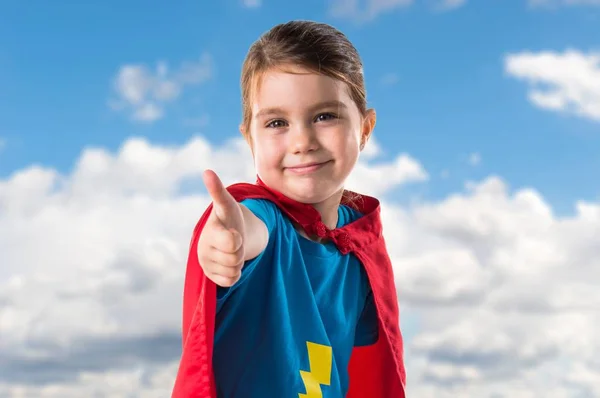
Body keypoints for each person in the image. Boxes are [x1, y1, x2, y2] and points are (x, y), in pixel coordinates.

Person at [172, 20, 406, 398]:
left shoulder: (357, 244)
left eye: (325, 116)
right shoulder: (262, 220)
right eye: (277, 122)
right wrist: (224, 243)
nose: (302, 141)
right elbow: (249, 230)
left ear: (365, 128)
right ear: (249, 136)